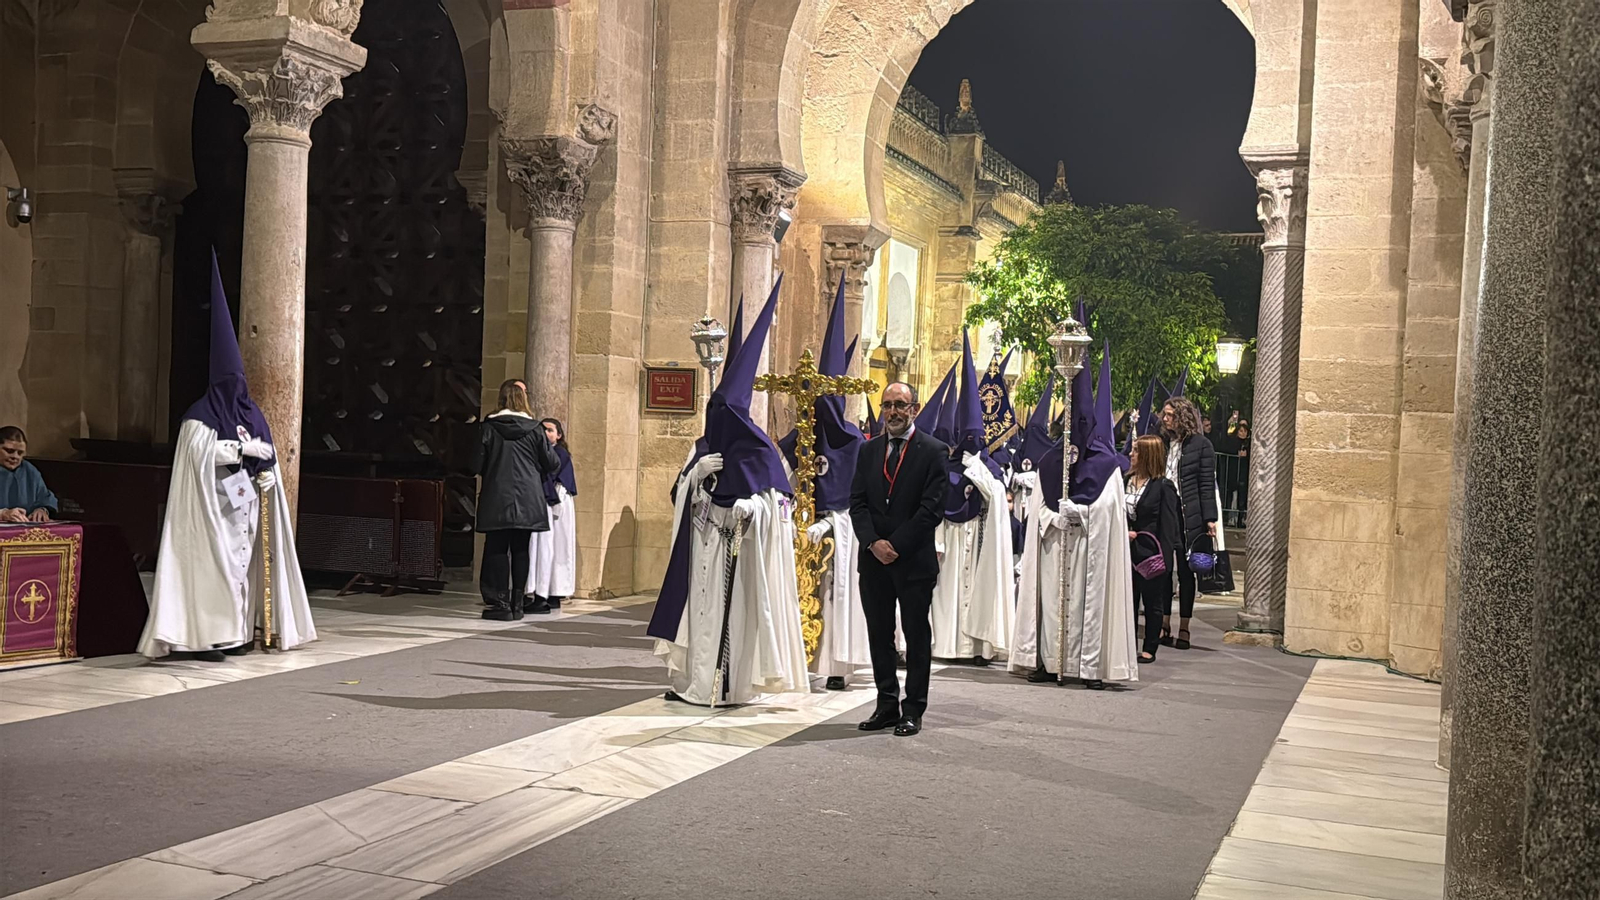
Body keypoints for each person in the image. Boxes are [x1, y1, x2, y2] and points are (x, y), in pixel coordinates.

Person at [139, 255, 316, 661]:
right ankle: (203, 636)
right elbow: (197, 454)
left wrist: (268, 470)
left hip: (246, 506)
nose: (237, 389)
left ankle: (238, 633)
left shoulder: (252, 413)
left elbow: (267, 448)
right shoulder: (199, 416)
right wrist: (238, 449)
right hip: (210, 511)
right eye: (229, 383)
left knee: (241, 573)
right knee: (215, 570)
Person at [648, 280, 807, 707]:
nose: (716, 417)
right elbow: (677, 495)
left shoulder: (758, 450)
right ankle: (696, 686)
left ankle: (732, 687)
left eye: (723, 411)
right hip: (703, 548)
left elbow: (781, 502)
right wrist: (693, 477)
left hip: (740, 550)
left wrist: (752, 506)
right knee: (699, 620)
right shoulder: (703, 448)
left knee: (732, 620)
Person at [1011, 344, 1137, 689]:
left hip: (1087, 548)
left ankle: (1089, 666)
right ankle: (1048, 662)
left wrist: (1080, 511)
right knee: (1050, 604)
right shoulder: (1051, 462)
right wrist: (1052, 517)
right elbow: (1036, 509)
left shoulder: (1106, 466)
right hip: (1054, 547)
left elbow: (1111, 513)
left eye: (1082, 422)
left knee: (1085, 605)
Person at [779, 276, 871, 690]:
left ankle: (835, 667)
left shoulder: (853, 443)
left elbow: (857, 505)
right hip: (799, 534)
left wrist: (829, 525)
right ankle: (795, 661)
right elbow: (781, 478)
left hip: (835, 540)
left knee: (834, 598)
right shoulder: (798, 435)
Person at [850, 381, 948, 737]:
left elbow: (931, 509)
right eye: (887, 404)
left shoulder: (934, 451)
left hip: (913, 562)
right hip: (874, 561)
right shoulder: (868, 451)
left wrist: (896, 545)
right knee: (879, 634)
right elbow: (857, 504)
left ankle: (914, 709)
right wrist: (874, 542)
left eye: (900, 405)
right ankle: (886, 704)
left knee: (916, 635)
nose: (892, 411)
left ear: (914, 409)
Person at [928, 333, 1013, 667]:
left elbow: (994, 496)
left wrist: (976, 469)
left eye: (978, 439)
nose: (973, 442)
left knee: (976, 590)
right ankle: (948, 645)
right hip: (949, 536)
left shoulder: (987, 467)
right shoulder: (944, 465)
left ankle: (977, 647)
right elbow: (935, 501)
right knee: (947, 592)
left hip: (978, 537)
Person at [475, 379, 560, 621]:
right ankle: (519, 604)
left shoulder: (488, 428)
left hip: (497, 495)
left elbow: (474, 464)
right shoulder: (535, 430)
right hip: (528, 497)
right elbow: (552, 464)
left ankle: (501, 604)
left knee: (498, 548)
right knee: (521, 549)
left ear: (501, 399)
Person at [1159, 395, 1218, 649]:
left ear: (1182, 417)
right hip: (1164, 511)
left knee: (1186, 572)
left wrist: (1210, 519)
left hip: (1188, 513)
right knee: (1162, 571)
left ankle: (1184, 626)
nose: (1165, 418)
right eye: (1164, 414)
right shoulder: (1162, 442)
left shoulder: (1201, 445)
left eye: (1170, 414)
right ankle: (1163, 623)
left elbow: (1206, 485)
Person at [1126, 435, 1180, 664]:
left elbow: (1169, 526)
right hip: (1126, 550)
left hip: (1150, 552)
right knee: (1128, 600)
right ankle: (1126, 645)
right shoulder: (1124, 479)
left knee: (1152, 602)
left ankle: (1149, 646)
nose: (1131, 454)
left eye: (1136, 451)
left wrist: (1165, 560)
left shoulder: (1163, 487)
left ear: (1148, 455)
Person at [525, 417, 577, 613]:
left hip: (558, 502)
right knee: (544, 548)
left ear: (559, 435)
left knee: (558, 548)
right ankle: (543, 591)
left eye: (550, 430)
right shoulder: (540, 453)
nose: (546, 434)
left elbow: (551, 474)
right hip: (545, 501)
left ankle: (553, 592)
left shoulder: (560, 453)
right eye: (543, 430)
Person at [0, 426, 56, 523]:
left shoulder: (29, 471)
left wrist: (43, 510)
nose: (15, 457)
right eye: (9, 451)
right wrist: (2, 514)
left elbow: (45, 497)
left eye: (20, 453)